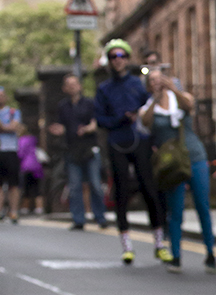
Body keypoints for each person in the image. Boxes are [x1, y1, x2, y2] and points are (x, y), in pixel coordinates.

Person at [94, 38, 169, 265]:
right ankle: (126, 246)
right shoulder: (104, 89)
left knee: (149, 188)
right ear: (109, 61)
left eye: (122, 56)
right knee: (121, 192)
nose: (118, 60)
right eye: (113, 56)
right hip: (117, 141)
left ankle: (159, 243)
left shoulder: (138, 84)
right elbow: (100, 119)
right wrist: (120, 118)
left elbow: (151, 112)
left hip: (140, 141)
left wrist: (151, 134)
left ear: (127, 59)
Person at [139, 67, 216, 272]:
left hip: (195, 157)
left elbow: (189, 106)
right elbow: (145, 124)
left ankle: (210, 253)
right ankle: (176, 255)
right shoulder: (149, 107)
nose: (157, 82)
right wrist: (156, 98)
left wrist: (173, 89)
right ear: (149, 86)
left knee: (202, 206)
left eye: (160, 79)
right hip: (171, 164)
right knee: (175, 211)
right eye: (153, 80)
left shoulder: (181, 97)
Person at [49, 72, 107, 230]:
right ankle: (78, 219)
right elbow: (61, 125)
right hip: (72, 150)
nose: (72, 87)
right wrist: (58, 130)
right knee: (74, 186)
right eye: (69, 85)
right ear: (64, 88)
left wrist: (88, 129)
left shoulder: (89, 103)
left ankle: (100, 216)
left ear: (80, 86)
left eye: (75, 83)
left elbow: (96, 123)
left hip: (89, 148)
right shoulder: (63, 106)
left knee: (95, 184)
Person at [0, 87, 21, 223]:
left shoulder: (13, 112)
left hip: (11, 150)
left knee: (14, 183)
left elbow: (14, 127)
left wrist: (4, 127)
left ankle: (13, 211)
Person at [16, 126, 44, 215]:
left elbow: (20, 154)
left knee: (26, 188)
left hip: (26, 166)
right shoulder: (33, 140)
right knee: (36, 188)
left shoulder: (21, 141)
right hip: (37, 166)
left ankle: (25, 208)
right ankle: (39, 208)